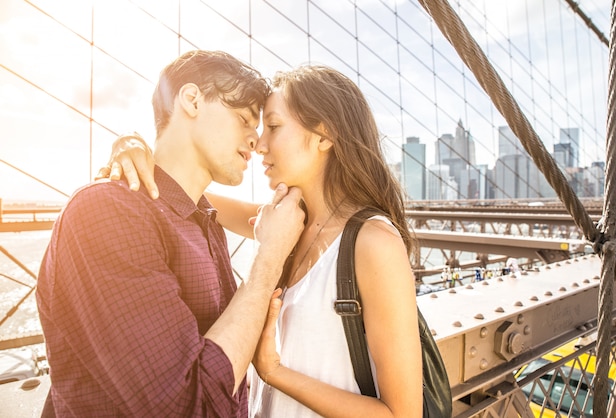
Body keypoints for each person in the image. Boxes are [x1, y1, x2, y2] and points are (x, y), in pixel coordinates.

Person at [106, 64, 423, 417]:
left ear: (323, 135)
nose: (258, 144)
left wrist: (275, 373)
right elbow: (179, 193)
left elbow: (402, 414)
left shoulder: (373, 243)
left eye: (272, 126)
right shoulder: (286, 223)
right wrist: (134, 147)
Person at [36, 50, 305, 417]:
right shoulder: (107, 212)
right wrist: (269, 257)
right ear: (192, 100)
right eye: (244, 119)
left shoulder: (203, 222)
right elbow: (184, 407)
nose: (256, 143)